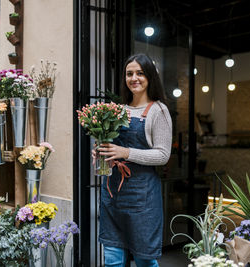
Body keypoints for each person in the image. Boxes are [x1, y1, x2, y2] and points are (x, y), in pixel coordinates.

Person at [93, 53, 172, 267]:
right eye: (129, 74)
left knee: (144, 260)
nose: (134, 78)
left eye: (140, 73)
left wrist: (125, 152)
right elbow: (112, 149)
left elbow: (163, 155)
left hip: (142, 198)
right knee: (112, 260)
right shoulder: (117, 111)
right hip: (113, 194)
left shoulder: (159, 111)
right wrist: (103, 154)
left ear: (150, 77)